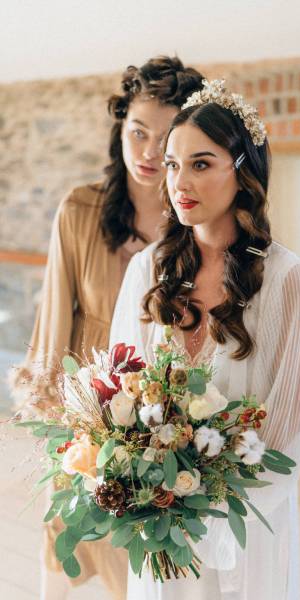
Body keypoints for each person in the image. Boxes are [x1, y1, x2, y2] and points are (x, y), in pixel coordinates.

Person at [110, 79, 300, 600]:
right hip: (160, 528)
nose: (181, 181)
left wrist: (209, 521)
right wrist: (148, 499)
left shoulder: (287, 281)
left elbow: (287, 433)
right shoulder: (146, 270)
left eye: (202, 164)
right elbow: (117, 393)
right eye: (175, 164)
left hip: (246, 531)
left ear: (243, 170)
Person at [9, 56, 204, 600]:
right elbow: (54, 321)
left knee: (144, 550)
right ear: (120, 128)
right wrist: (56, 415)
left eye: (164, 137)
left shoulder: (196, 220)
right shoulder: (78, 210)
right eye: (136, 131)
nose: (147, 150)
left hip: (161, 413)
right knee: (65, 533)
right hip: (84, 405)